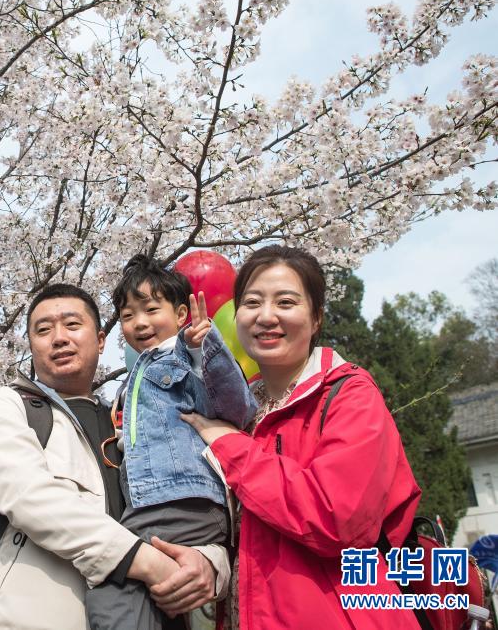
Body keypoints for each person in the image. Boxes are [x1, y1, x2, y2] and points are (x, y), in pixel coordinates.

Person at [153, 245, 422, 629]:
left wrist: (231, 446)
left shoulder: (350, 395)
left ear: (316, 317)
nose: (266, 316)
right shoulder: (236, 411)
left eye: (286, 302)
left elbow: (337, 519)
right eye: (252, 302)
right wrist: (209, 562)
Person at [0, 283, 227, 630]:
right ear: (31, 346)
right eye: (43, 330)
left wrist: (211, 564)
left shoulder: (136, 421)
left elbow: (201, 499)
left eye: (72, 325)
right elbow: (28, 497)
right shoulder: (8, 408)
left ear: (101, 340)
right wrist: (145, 562)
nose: (59, 338)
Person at [86, 255, 255, 630]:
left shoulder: (185, 358)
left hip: (179, 503)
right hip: (152, 506)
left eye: (151, 309)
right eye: (128, 315)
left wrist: (205, 348)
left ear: (181, 314)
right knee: (146, 599)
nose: (140, 322)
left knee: (111, 588)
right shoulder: (136, 375)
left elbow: (238, 406)